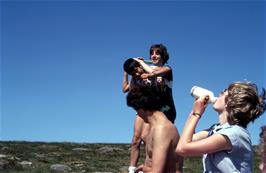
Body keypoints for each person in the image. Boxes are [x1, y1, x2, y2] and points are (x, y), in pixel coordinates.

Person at [176, 81, 266, 172]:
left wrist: (196, 114)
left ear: (231, 102)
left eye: (223, 92)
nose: (219, 93)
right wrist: (194, 111)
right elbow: (187, 140)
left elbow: (182, 149)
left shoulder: (235, 134)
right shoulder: (216, 129)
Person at [122, 44, 178, 172]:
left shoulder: (166, 69)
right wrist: (128, 71)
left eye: (157, 53)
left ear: (163, 55)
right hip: (148, 109)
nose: (153, 55)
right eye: (151, 53)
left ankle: (154, 165)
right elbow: (126, 89)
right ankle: (135, 169)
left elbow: (153, 73)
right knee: (137, 138)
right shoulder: (143, 71)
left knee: (150, 137)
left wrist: (140, 63)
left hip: (163, 110)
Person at [126, 84, 182, 173]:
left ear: (141, 109)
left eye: (136, 111)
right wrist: (144, 168)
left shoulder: (162, 129)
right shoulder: (157, 127)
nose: (138, 115)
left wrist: (144, 169)